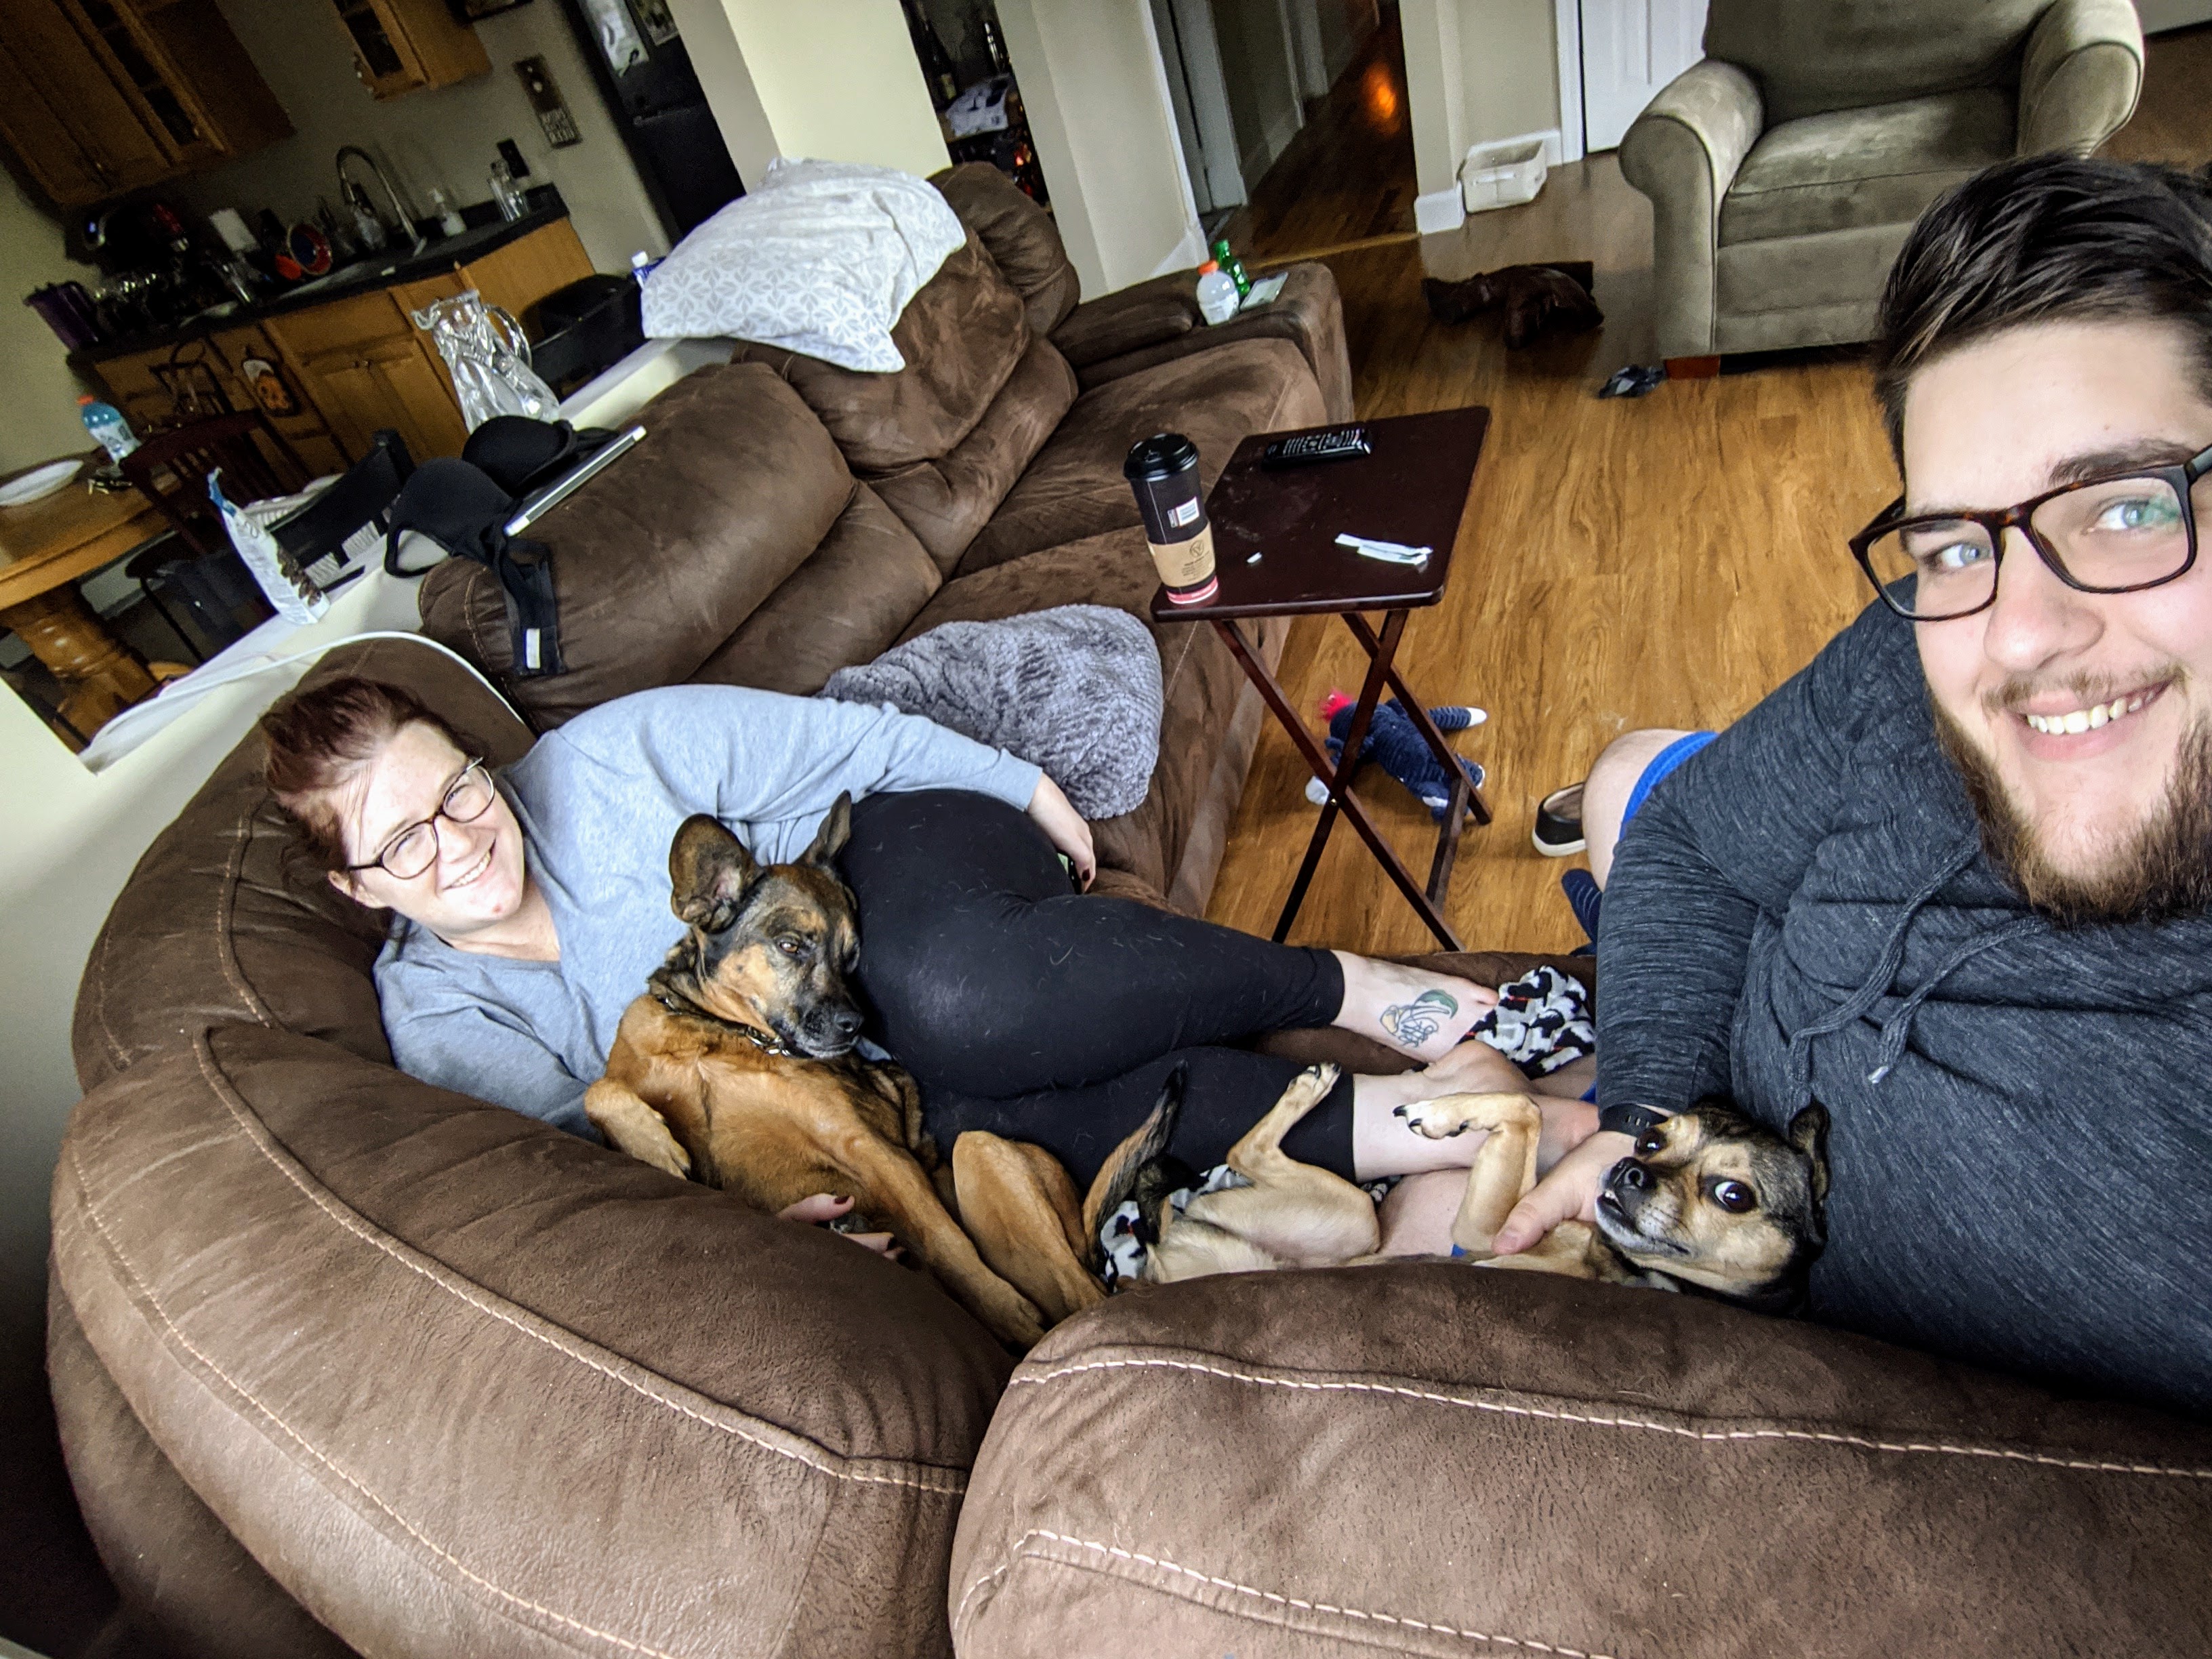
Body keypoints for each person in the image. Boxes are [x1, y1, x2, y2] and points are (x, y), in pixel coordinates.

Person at [1479, 155, 2212, 1413]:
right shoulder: (1907, 651)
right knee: (1630, 777)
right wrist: (1639, 1105)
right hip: (1728, 1045)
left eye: (2127, 508)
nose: (2023, 632)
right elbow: (1697, 844)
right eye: (1955, 542)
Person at [260, 676, 1589, 1250]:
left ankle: (1344, 986)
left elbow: (857, 742)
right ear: (351, 885)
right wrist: (747, 1215)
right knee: (970, 1127)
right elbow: (602, 1166)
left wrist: (1026, 791)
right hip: (844, 1067)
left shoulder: (611, 764)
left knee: (961, 1007)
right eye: (404, 846)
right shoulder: (441, 1018)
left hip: (884, 863)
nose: (459, 842)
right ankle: (1433, 1127)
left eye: (459, 793)